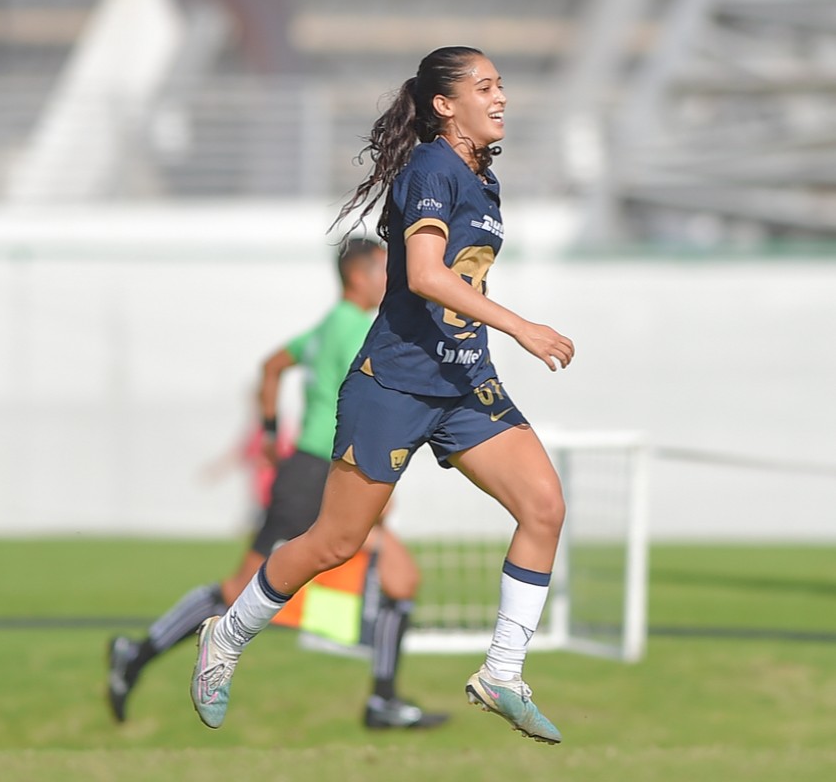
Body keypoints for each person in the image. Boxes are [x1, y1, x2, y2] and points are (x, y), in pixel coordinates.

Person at [189, 46, 575, 745]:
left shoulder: (482, 178)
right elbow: (425, 275)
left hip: (465, 383)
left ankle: (502, 674)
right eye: (484, 86)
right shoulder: (430, 167)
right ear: (444, 106)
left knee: (545, 507)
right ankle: (228, 635)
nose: (501, 97)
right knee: (334, 543)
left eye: (501, 85)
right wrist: (521, 326)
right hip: (394, 385)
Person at [108, 237, 448, 729]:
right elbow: (368, 408)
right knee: (238, 590)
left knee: (401, 579)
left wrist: (270, 433)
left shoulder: (329, 326)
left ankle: (383, 702)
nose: (390, 277)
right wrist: (378, 481)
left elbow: (272, 367)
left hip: (319, 472)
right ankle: (137, 653)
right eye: (383, 269)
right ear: (358, 276)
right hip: (317, 476)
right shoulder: (359, 328)